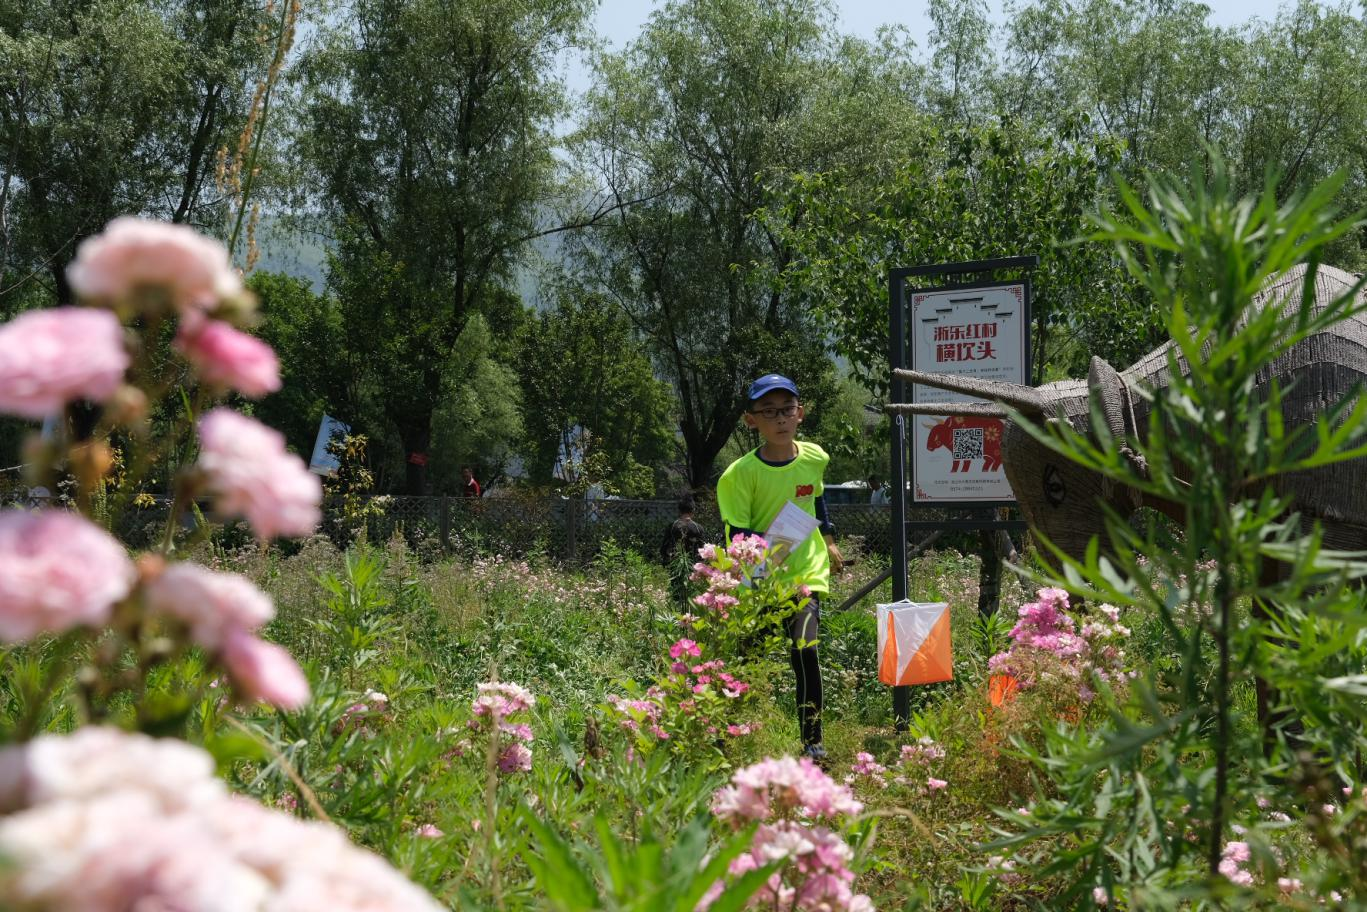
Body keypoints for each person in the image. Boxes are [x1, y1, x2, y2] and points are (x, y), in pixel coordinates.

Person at [716, 373, 844, 764]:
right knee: (747, 659)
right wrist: (776, 550)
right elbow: (738, 537)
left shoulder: (814, 457)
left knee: (805, 650)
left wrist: (830, 539)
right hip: (759, 578)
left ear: (800, 414)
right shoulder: (738, 476)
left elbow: (816, 502)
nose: (780, 419)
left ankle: (812, 741)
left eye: (787, 409)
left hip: (806, 575)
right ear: (751, 420)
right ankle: (723, 734)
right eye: (768, 412)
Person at [659, 493, 707, 609]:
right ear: (693, 510)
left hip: (676, 565)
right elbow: (703, 550)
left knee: (676, 593)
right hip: (693, 566)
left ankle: (677, 614)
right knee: (692, 593)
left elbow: (664, 547)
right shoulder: (698, 528)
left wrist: (666, 561)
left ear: (679, 510)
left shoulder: (673, 526)